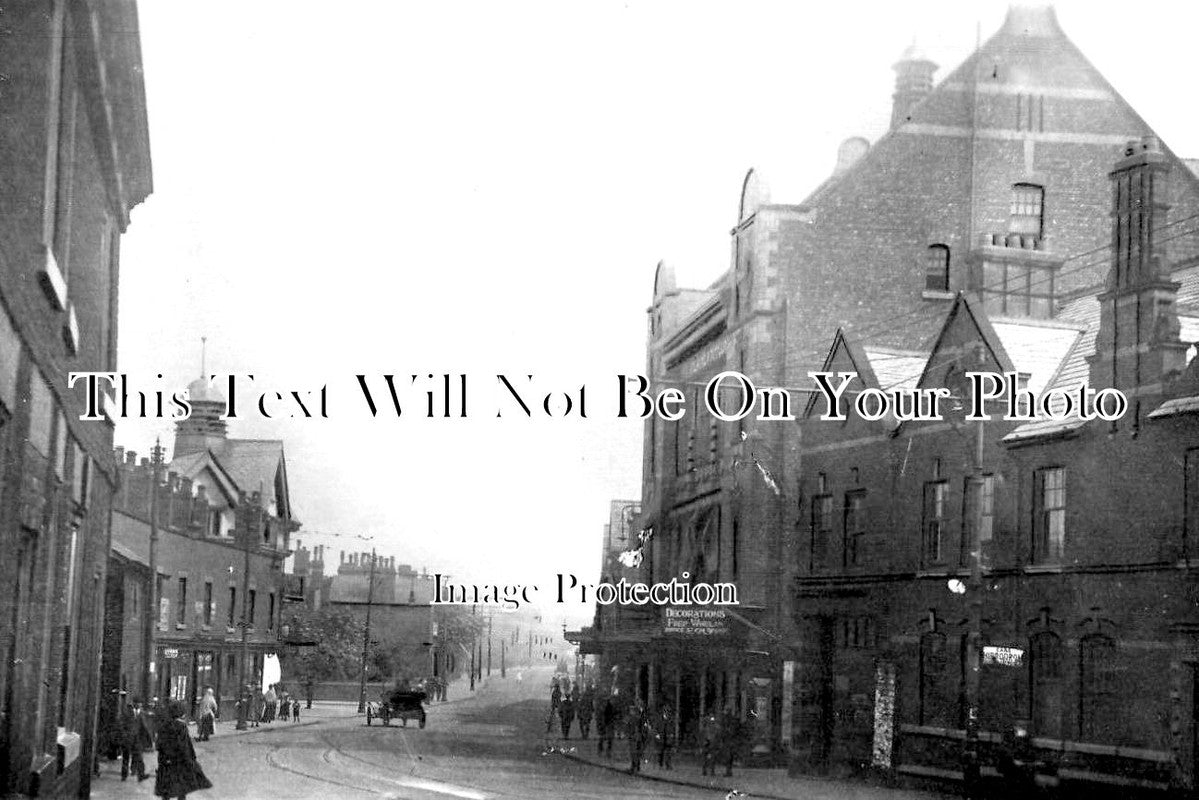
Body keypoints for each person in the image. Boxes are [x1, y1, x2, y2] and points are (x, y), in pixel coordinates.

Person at [155, 699, 212, 799]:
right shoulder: (181, 726)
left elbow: (159, 744)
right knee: (181, 789)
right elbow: (184, 746)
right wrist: (190, 760)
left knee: (166, 789)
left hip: (166, 762)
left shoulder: (163, 726)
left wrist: (163, 758)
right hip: (179, 762)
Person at [120, 696, 154, 781]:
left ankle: (139, 773)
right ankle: (124, 775)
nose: (139, 705)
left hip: (138, 739)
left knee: (138, 757)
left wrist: (149, 740)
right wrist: (124, 734)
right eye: (137, 703)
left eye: (140, 703)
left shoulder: (142, 714)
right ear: (133, 703)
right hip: (128, 739)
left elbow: (145, 727)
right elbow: (121, 724)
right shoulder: (127, 713)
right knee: (126, 757)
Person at [624, 702, 651, 775]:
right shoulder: (640, 717)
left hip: (635, 737)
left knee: (634, 753)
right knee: (636, 753)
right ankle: (635, 767)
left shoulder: (634, 718)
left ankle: (634, 768)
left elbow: (632, 728)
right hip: (638, 737)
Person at [654, 702, 675, 770]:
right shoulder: (659, 719)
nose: (667, 713)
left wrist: (672, 735)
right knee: (661, 753)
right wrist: (657, 735)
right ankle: (660, 765)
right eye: (666, 711)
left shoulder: (670, 720)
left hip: (668, 738)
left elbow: (672, 728)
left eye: (668, 711)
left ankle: (668, 765)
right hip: (661, 738)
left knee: (668, 753)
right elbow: (655, 728)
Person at [699, 711, 719, 776]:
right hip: (707, 743)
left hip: (711, 743)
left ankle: (710, 771)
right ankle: (706, 771)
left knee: (711, 758)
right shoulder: (706, 728)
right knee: (706, 758)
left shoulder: (714, 728)